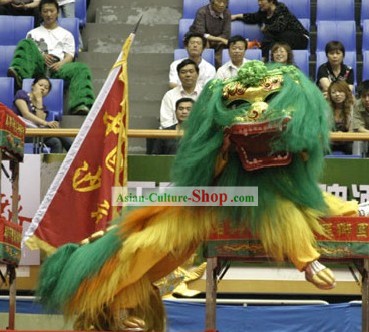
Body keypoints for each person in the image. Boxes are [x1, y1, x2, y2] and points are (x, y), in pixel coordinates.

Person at [35, 61, 369, 331]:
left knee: (319, 204)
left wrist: (330, 233)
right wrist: (307, 260)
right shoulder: (220, 138)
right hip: (215, 201)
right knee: (153, 240)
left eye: (264, 100)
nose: (255, 110)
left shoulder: (291, 140)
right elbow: (251, 199)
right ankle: (116, 302)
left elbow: (299, 199)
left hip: (249, 201)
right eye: (242, 103)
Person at [7, 0, 94, 115]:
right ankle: (19, 73)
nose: (49, 14)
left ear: (57, 12)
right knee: (25, 44)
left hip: (58, 68)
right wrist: (42, 56)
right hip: (39, 68)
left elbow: (70, 55)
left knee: (81, 68)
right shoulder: (33, 32)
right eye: (45, 11)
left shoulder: (67, 34)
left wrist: (61, 63)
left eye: (51, 11)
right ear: (41, 13)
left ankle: (80, 104)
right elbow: (29, 52)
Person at [232, 0, 309, 61]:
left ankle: (265, 58)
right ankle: (265, 58)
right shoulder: (263, 11)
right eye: (258, 1)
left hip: (300, 38)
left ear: (271, 1)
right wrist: (236, 16)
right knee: (270, 37)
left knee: (274, 35)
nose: (259, 3)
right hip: (282, 39)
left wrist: (266, 28)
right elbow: (253, 17)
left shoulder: (281, 8)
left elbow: (279, 27)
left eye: (261, 0)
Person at [12, 75, 72, 153]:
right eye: (40, 85)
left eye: (46, 88)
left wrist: (39, 100)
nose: (43, 88)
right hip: (20, 133)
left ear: (47, 93)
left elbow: (40, 127)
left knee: (56, 142)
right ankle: (77, 152)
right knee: (57, 131)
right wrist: (47, 123)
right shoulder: (21, 94)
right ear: (33, 86)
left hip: (35, 135)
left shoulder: (43, 108)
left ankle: (54, 165)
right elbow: (25, 114)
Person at [188, 0, 231, 68]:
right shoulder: (202, 12)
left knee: (221, 61)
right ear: (212, 2)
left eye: (225, 2)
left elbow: (226, 34)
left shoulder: (227, 13)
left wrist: (218, 40)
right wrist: (220, 39)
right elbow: (200, 33)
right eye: (219, 1)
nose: (222, 5)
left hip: (218, 43)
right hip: (201, 40)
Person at [160, 59, 201, 129]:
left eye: (191, 71)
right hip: (174, 135)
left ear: (197, 74)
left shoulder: (206, 94)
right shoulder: (170, 95)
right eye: (183, 72)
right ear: (178, 75)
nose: (188, 75)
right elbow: (166, 122)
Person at [327, 81, 353, 154]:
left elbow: (352, 130)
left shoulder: (352, 107)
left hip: (348, 140)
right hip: (330, 139)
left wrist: (342, 135)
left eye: (340, 91)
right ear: (330, 94)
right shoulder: (325, 107)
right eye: (333, 92)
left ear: (346, 93)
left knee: (351, 147)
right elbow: (324, 129)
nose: (337, 94)